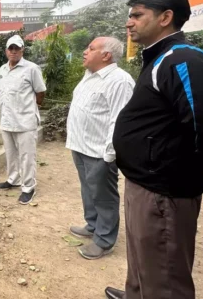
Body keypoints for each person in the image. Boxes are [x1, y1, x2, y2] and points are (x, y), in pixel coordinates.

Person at [105, 0, 203, 299]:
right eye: (130, 16)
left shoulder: (183, 60)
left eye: (137, 15)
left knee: (165, 277)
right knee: (143, 260)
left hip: (163, 192)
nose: (129, 23)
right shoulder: (159, 59)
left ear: (166, 17)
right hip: (146, 183)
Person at [66, 36, 134, 260]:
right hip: (81, 146)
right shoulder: (90, 76)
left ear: (106, 55)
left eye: (91, 48)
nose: (85, 51)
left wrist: (110, 154)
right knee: (88, 190)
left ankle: (104, 240)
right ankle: (93, 225)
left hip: (100, 152)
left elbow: (119, 120)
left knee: (104, 195)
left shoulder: (119, 81)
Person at [0, 35, 46, 205]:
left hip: (25, 121)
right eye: (11, 48)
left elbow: (40, 91)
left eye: (17, 48)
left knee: (27, 156)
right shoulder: (2, 69)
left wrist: (32, 107)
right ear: (6, 51)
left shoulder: (31, 68)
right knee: (11, 154)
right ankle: (13, 179)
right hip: (6, 119)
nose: (14, 51)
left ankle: (28, 187)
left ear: (22, 50)